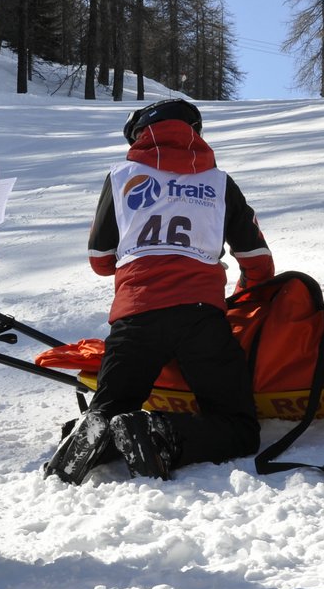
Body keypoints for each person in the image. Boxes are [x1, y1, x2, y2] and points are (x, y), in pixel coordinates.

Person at [44, 98, 274, 484]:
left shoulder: (121, 177)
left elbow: (101, 260)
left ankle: (92, 431)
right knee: (238, 426)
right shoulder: (219, 182)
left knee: (110, 408)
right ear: (195, 133)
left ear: (138, 136)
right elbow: (259, 262)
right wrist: (244, 292)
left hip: (136, 315)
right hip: (200, 317)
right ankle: (158, 432)